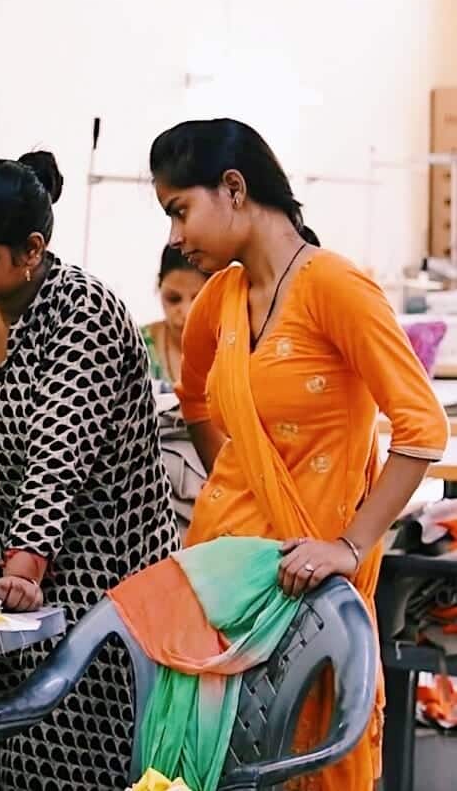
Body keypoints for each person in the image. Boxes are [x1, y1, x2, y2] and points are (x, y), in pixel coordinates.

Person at [149, 118, 448, 791]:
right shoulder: (218, 302)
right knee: (205, 763)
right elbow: (193, 399)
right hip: (223, 581)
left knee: (301, 758)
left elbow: (421, 427)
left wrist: (348, 544)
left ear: (233, 188)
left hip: (307, 585)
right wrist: (245, 483)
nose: (174, 236)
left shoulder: (335, 287)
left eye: (179, 210)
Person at [0, 150, 179, 790]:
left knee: (76, 758)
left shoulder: (84, 314)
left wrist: (26, 564)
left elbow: (59, 456)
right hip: (17, 581)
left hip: (105, 573)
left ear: (31, 249)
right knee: (6, 758)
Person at [141, 244, 207, 387]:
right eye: (173, 299)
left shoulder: (235, 348)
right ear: (158, 287)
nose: (186, 312)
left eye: (198, 300)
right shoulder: (136, 346)